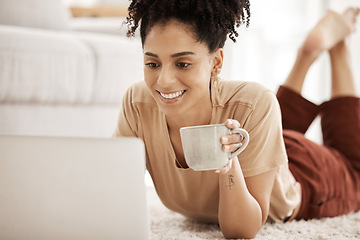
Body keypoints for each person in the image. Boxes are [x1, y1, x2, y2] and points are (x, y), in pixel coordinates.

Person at [113, 0, 360, 238]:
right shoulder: (138, 104)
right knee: (271, 124)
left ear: (216, 62)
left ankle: (338, 48)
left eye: (183, 63)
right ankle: (308, 53)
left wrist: (229, 164)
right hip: (263, 146)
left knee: (355, 171)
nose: (164, 81)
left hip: (302, 173)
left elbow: (241, 231)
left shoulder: (254, 102)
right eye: (152, 63)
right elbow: (111, 186)